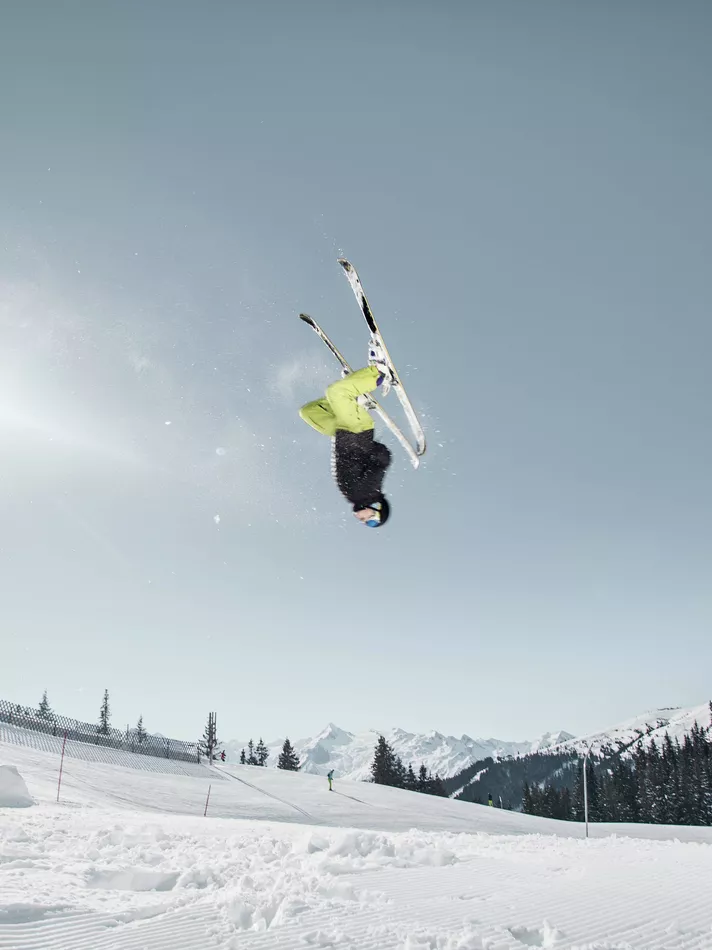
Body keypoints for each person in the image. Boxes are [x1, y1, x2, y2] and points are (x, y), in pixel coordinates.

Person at [300, 341, 393, 528]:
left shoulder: (356, 496)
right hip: (356, 431)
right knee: (336, 392)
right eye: (371, 520)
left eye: (367, 523)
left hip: (342, 434)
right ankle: (380, 372)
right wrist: (364, 445)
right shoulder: (368, 492)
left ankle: (356, 398)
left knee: (309, 412)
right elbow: (383, 460)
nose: (364, 520)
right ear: (377, 508)